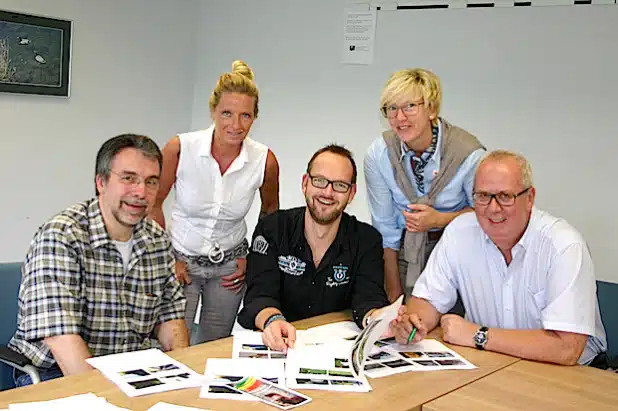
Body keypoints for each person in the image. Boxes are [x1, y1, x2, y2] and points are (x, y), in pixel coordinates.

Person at [390, 150, 608, 366]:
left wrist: (478, 335)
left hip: (573, 375)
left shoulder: (563, 245)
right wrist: (414, 322)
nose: (493, 209)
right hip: (493, 363)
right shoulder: (460, 232)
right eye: (483, 196)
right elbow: (428, 300)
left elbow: (567, 348)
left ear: (529, 198)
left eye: (505, 197)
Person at [8, 134, 188, 386]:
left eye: (151, 182)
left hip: (131, 369)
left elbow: (170, 318)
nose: (141, 192)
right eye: (128, 178)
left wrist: (182, 379)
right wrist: (109, 397)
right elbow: (62, 340)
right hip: (58, 374)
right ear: (101, 182)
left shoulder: (157, 239)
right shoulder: (61, 236)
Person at [150, 60, 280, 344]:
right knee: (173, 349)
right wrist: (167, 258)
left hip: (230, 267)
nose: (235, 125)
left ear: (255, 117)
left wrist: (253, 259)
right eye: (227, 114)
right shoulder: (180, 148)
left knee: (214, 348)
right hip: (180, 262)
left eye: (245, 116)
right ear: (213, 112)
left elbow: (270, 215)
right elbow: (153, 203)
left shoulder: (264, 160)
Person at [237, 145, 389, 351]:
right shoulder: (273, 228)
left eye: (340, 185)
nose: (327, 192)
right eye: (319, 181)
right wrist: (272, 321)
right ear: (305, 183)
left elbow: (369, 299)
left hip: (335, 351)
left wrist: (381, 321)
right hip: (280, 346)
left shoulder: (366, 240)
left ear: (352, 193)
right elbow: (259, 295)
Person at [364, 68, 486, 302]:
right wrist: (395, 295)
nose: (400, 118)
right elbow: (385, 229)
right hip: (403, 254)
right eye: (392, 108)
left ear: (432, 109)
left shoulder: (469, 155)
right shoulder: (379, 154)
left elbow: (485, 214)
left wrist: (439, 220)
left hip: (455, 253)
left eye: (410, 106)